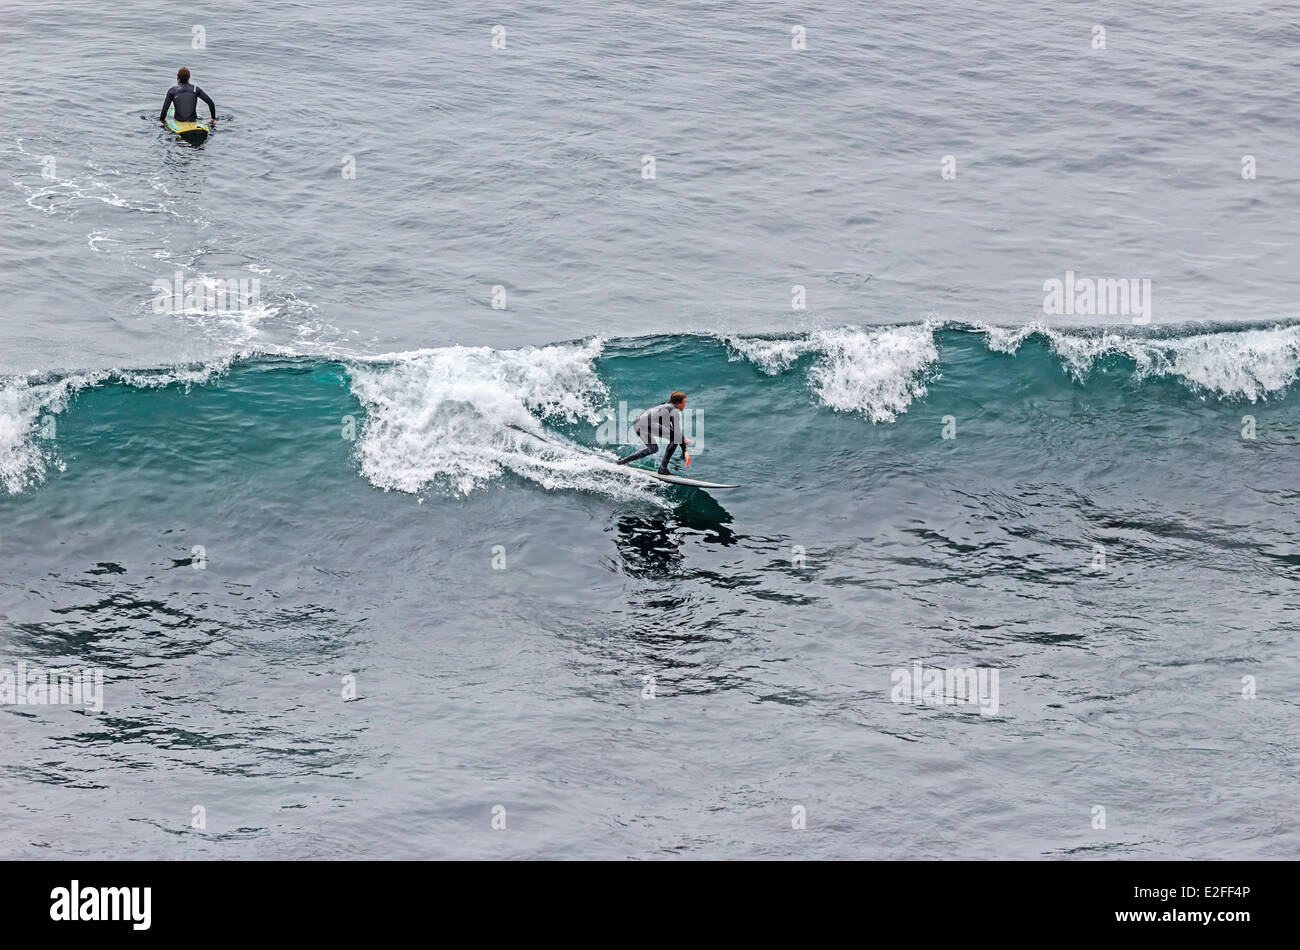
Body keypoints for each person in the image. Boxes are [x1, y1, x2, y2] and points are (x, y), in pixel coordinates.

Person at [617, 391, 693, 474]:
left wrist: (683, 448)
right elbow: (677, 434)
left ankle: (622, 462)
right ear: (678, 403)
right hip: (646, 423)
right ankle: (663, 469)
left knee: (653, 449)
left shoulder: (665, 407)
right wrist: (685, 451)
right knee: (674, 438)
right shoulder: (674, 411)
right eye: (684, 402)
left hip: (637, 423)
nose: (685, 405)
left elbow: (674, 431)